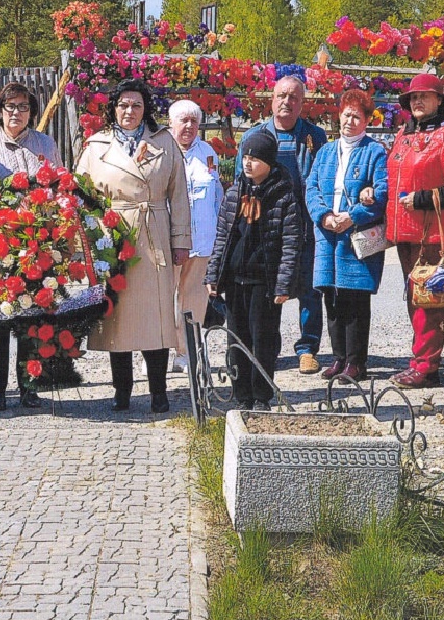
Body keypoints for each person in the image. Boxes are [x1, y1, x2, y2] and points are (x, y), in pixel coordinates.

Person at [75, 78, 192, 412]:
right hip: (112, 238)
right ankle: (122, 390)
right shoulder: (96, 145)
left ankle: (158, 391)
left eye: (136, 105)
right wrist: (86, 244)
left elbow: (179, 196)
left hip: (153, 235)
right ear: (113, 109)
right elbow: (80, 196)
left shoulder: (164, 142)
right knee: (119, 318)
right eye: (123, 105)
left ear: (145, 109)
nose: (129, 111)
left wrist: (181, 241)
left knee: (156, 318)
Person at [383, 72, 444, 388]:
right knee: (416, 298)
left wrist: (421, 199)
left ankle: (427, 366)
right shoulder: (404, 135)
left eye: (424, 95)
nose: (417, 101)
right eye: (413, 97)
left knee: (428, 301)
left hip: (432, 233)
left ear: (439, 100)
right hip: (406, 231)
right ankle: (421, 361)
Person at [0, 81, 60, 410]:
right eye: (10, 106)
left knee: (33, 318)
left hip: (37, 242)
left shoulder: (45, 144)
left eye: (24, 107)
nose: (16, 113)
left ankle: (29, 386)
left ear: (32, 112)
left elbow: (57, 188)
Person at [208, 129, 302, 408]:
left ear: (269, 162)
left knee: (263, 339)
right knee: (237, 339)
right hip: (235, 278)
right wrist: (214, 274)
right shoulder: (235, 192)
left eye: (255, 158)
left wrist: (284, 284)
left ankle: (261, 395)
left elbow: (291, 242)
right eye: (245, 157)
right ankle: (241, 395)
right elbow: (222, 237)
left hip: (264, 280)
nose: (248, 163)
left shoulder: (283, 196)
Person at [304, 89, 389, 383]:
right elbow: (311, 189)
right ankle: (338, 357)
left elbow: (382, 192)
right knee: (331, 297)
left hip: (356, 236)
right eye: (346, 114)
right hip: (328, 235)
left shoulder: (375, 152)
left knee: (355, 300)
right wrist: (324, 216)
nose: (350, 121)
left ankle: (356, 362)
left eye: (357, 116)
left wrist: (353, 216)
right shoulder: (326, 152)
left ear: (366, 121)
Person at [261, 75, 330, 373]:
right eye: (281, 96)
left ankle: (307, 348)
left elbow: (324, 179)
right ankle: (269, 348)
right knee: (269, 290)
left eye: (293, 97)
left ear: (302, 103)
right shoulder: (256, 136)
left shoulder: (315, 137)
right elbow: (242, 182)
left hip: (306, 226)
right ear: (272, 99)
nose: (286, 102)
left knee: (310, 291)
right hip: (269, 228)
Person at [168, 99, 223, 367]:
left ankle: (187, 352)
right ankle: (160, 351)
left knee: (194, 300)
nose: (189, 126)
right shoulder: (162, 151)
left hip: (202, 241)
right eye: (184, 120)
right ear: (171, 123)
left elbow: (217, 195)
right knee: (165, 299)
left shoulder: (208, 152)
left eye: (194, 121)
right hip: (169, 240)